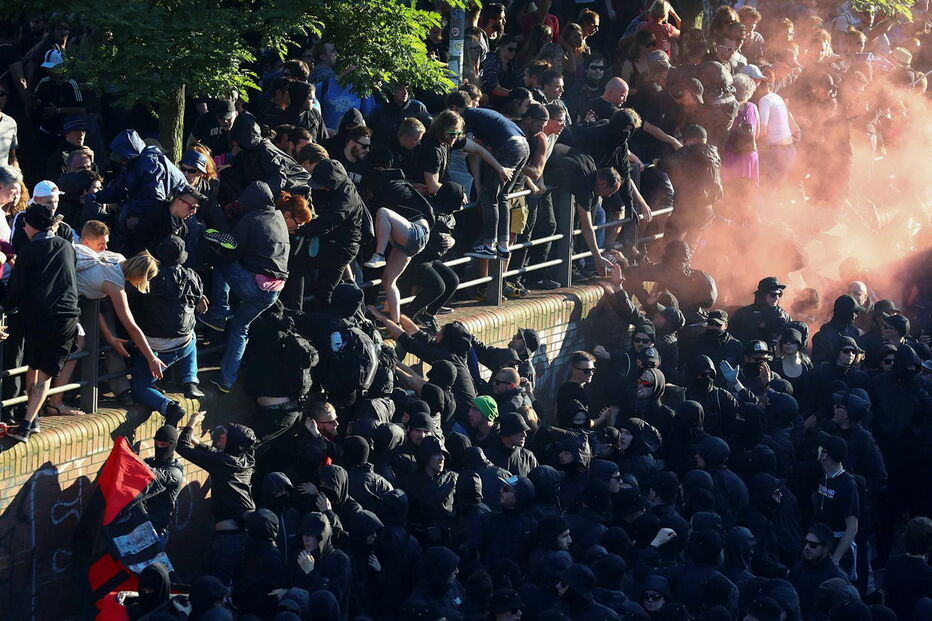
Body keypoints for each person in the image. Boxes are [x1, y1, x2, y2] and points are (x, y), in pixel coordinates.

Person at [5, 203, 81, 442]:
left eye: (25, 223)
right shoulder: (67, 246)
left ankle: (26, 425)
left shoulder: (28, 252)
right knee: (43, 372)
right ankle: (33, 418)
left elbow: (16, 291)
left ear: (30, 225)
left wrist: (4, 302)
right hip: (68, 317)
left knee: (34, 367)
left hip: (41, 318)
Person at [127, 235, 206, 421]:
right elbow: (197, 301)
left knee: (139, 386)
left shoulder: (149, 277)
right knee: (192, 335)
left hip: (156, 348)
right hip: (184, 342)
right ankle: (190, 380)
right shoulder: (191, 275)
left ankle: (167, 406)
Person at [176, 410, 257, 585]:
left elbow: (181, 447)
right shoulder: (247, 460)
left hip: (229, 539)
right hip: (243, 532)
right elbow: (218, 456)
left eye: (227, 435)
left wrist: (191, 423)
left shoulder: (223, 463)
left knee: (218, 583)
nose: (222, 435)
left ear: (234, 443)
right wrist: (199, 443)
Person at [144, 425, 185, 541]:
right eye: (157, 443)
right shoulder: (150, 461)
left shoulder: (175, 472)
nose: (159, 447)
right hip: (140, 523)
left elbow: (153, 474)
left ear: (171, 445)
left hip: (157, 530)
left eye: (163, 445)